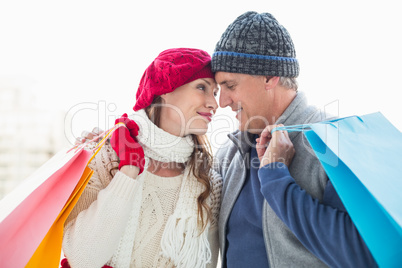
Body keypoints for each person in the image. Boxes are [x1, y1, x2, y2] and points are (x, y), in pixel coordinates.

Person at [211, 11, 377, 267]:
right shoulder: (229, 154)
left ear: (270, 77)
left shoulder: (337, 140)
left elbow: (360, 255)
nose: (222, 102)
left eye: (230, 86)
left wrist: (276, 177)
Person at [61, 48, 222, 268]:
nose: (214, 103)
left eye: (215, 92)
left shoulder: (208, 183)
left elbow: (207, 263)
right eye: (202, 87)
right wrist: (127, 173)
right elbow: (82, 259)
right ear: (165, 88)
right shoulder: (104, 157)